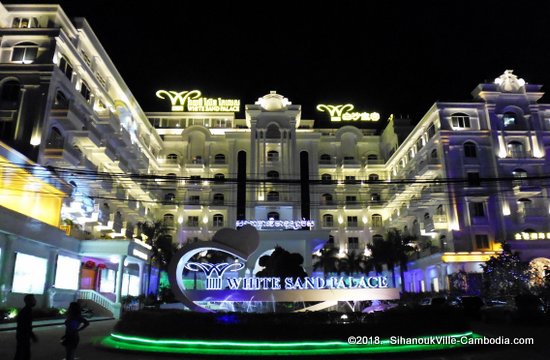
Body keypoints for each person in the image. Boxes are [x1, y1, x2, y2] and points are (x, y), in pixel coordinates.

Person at [14, 294, 38, 360]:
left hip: (22, 336)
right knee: (23, 355)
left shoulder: (26, 310)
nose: (35, 301)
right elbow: (26, 326)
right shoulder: (26, 311)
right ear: (28, 301)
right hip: (23, 336)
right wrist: (33, 336)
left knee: (21, 354)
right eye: (33, 300)